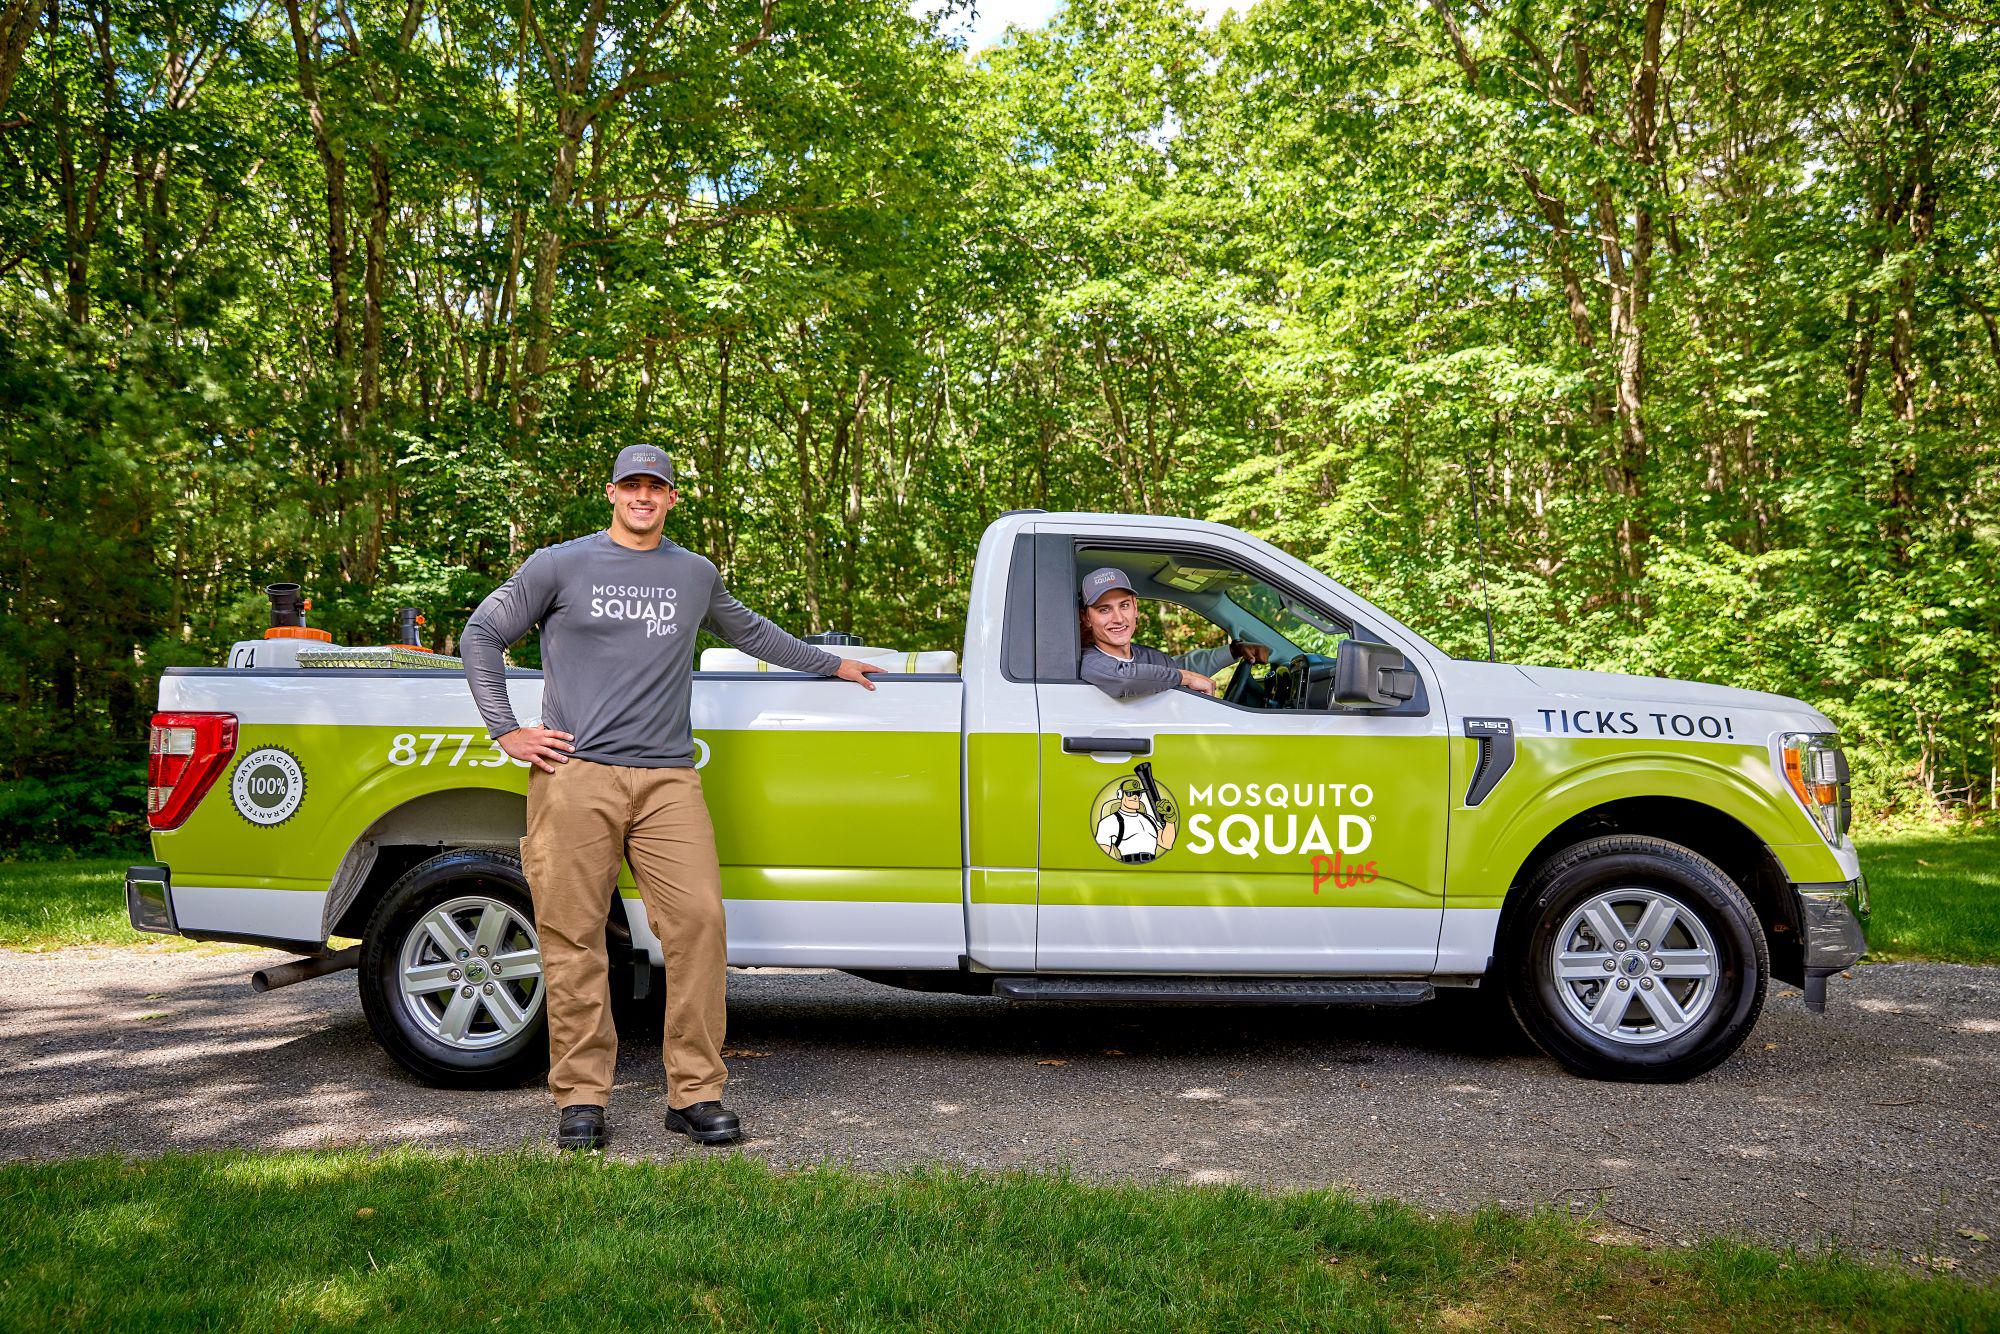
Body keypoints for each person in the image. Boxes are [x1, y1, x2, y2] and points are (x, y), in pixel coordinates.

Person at [461, 445, 883, 1152]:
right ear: (611, 492)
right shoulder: (559, 564)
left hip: (667, 780)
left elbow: (752, 631)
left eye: (654, 487)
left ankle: (694, 1093)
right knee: (573, 935)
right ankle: (581, 1098)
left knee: (699, 924)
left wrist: (832, 663)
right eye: (631, 485)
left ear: (671, 499)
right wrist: (506, 729)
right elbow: (482, 632)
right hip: (576, 775)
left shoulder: (693, 574)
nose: (642, 497)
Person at [1076, 566, 1269, 700]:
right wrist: (1185, 678)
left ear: (1135, 607)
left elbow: (1182, 667)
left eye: (1124, 605)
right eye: (1104, 610)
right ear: (1086, 618)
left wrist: (1234, 651)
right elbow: (1124, 678)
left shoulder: (1150, 657)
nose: (1118, 618)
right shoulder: (1088, 661)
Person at [1094, 776, 1176, 863]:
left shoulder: (1149, 819)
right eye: (1130, 793)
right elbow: (1101, 856)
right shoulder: (1109, 822)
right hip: (1128, 864)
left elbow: (1167, 843)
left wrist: (1170, 818)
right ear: (1120, 794)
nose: (1135, 797)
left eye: (1137, 793)